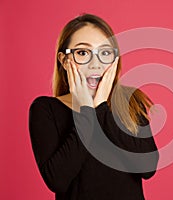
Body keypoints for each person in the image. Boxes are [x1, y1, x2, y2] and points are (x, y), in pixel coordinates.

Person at [29, 13, 159, 200]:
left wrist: (101, 108)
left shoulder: (130, 101)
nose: (95, 64)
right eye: (83, 53)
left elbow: (147, 168)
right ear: (64, 61)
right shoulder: (45, 109)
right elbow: (57, 180)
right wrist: (87, 112)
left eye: (105, 53)